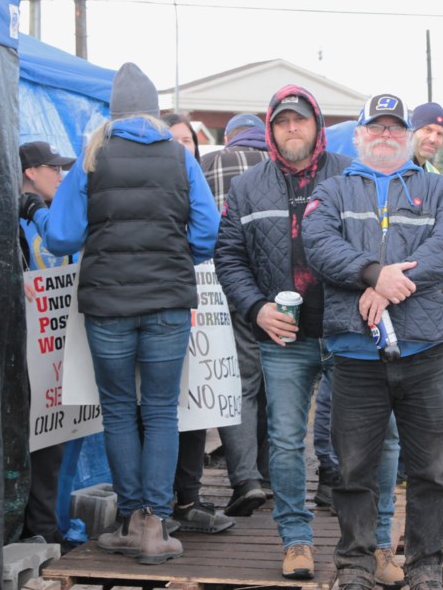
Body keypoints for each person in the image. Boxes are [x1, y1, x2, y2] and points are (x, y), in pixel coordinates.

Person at [20, 62, 220, 564]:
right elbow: (207, 230)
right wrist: (176, 257)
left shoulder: (93, 156)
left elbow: (63, 236)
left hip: (107, 307)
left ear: (113, 111)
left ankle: (132, 522)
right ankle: (156, 524)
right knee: (160, 411)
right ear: (153, 111)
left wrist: (37, 213)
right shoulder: (180, 157)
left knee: (118, 411)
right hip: (169, 304)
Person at [302, 93, 443, 590]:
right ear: (358, 136)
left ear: (411, 136)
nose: (385, 135)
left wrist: (389, 287)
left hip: (425, 353)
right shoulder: (331, 191)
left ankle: (425, 565)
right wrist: (373, 274)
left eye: (396, 128)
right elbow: (319, 245)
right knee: (352, 471)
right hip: (355, 355)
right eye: (376, 128)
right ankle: (354, 564)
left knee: (431, 472)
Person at [214, 85, 349, 580]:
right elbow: (228, 255)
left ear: (317, 125)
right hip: (284, 338)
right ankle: (296, 540)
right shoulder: (249, 186)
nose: (292, 128)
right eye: (282, 122)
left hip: (343, 330)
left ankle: (364, 543)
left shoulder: (347, 176)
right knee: (287, 441)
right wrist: (255, 308)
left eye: (300, 120)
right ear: (270, 130)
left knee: (355, 438)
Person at [159, 113, 235, 535]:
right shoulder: (153, 190)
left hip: (202, 307)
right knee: (154, 409)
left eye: (187, 140)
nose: (180, 147)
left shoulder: (201, 188)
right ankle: (157, 503)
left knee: (195, 407)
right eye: (172, 139)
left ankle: (189, 496)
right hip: (165, 306)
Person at [200, 112, 272, 517]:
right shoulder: (277, 167)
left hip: (221, 288)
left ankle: (246, 480)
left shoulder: (208, 164)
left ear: (229, 137)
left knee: (238, 385)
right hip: (275, 293)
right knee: (274, 384)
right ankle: (272, 474)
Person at [17, 141, 76, 550]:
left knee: (52, 438)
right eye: (53, 168)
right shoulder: (11, 214)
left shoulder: (54, 214)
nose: (60, 175)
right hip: (21, 345)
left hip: (52, 341)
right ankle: (33, 529)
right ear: (30, 172)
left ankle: (45, 527)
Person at [409, 102, 443, 173]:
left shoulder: (434, 174)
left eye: (439, 134)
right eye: (427, 130)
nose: (433, 139)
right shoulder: (390, 168)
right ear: (411, 132)